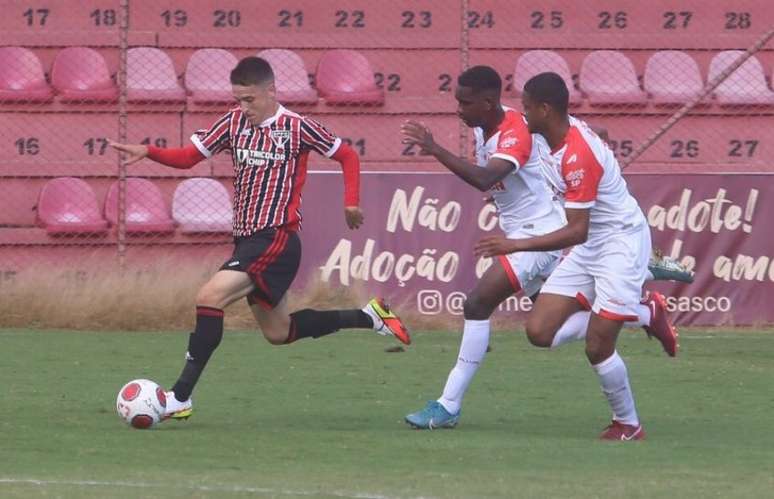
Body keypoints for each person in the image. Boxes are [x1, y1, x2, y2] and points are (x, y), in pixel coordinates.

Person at [109, 57, 410, 421]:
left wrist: (351, 202)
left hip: (277, 239)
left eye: (250, 99)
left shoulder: (296, 128)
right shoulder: (233, 122)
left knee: (209, 297)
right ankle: (369, 317)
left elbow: (347, 155)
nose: (243, 107)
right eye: (239, 99)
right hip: (247, 242)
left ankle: (180, 396)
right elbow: (190, 157)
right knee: (279, 333)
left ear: (271, 92)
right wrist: (150, 151)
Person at [400, 66, 680, 432]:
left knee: (479, 303)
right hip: (552, 234)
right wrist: (599, 140)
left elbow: (488, 178)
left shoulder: (517, 134)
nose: (458, 109)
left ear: (488, 103)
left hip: (547, 234)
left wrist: (434, 148)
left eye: (464, 102)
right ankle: (643, 312)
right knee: (541, 331)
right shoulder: (513, 128)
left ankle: (448, 404)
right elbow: (580, 135)